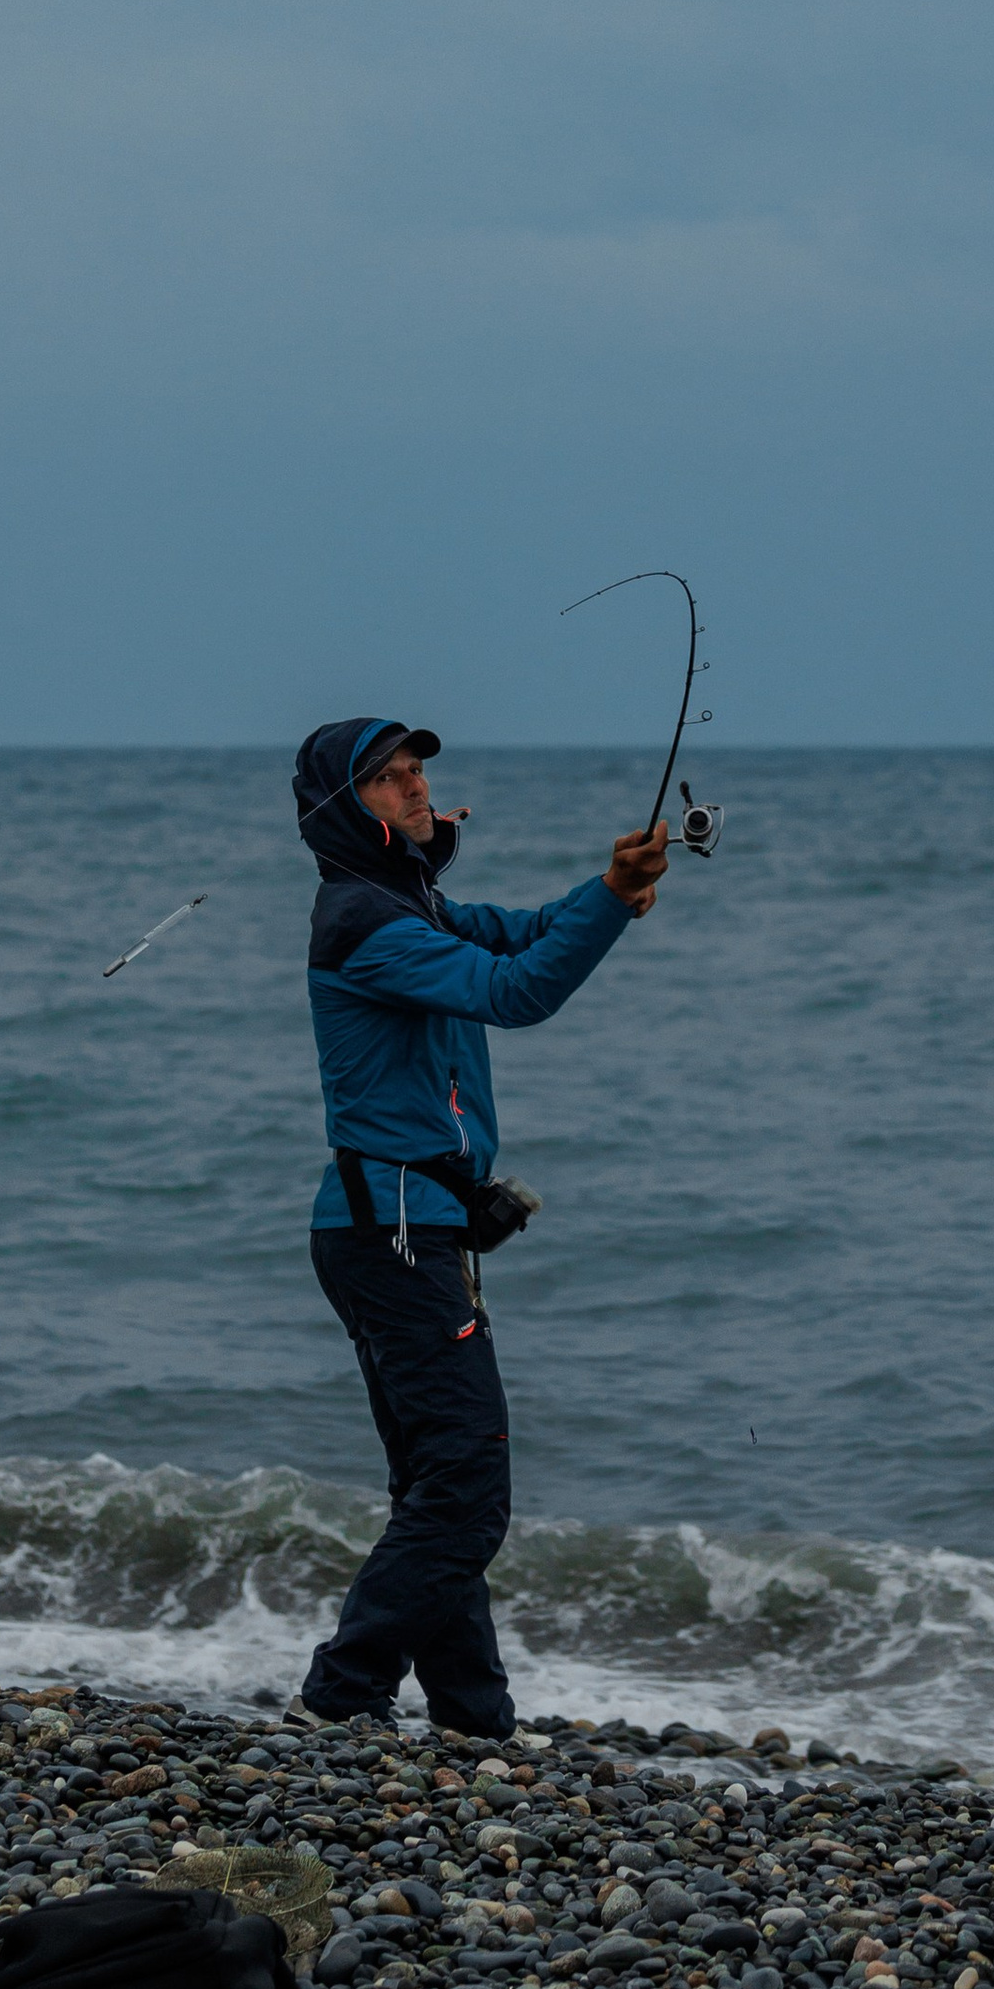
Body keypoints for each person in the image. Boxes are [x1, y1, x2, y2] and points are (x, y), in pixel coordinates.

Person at [290, 713, 668, 1739]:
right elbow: (520, 990)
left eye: (419, 775)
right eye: (390, 780)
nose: (416, 790)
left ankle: (471, 1718)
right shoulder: (364, 923)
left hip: (401, 1231)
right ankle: (341, 1696)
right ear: (342, 807)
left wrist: (614, 889)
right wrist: (607, 906)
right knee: (465, 1486)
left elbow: (527, 931)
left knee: (437, 1485)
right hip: (394, 1237)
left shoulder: (414, 906)